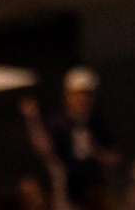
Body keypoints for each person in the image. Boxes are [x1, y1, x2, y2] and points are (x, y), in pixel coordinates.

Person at [49, 66, 119, 204]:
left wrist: (97, 151)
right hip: (64, 188)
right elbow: (47, 154)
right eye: (77, 94)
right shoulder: (57, 123)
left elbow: (115, 157)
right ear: (68, 95)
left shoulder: (100, 123)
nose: (81, 100)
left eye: (86, 94)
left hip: (96, 186)